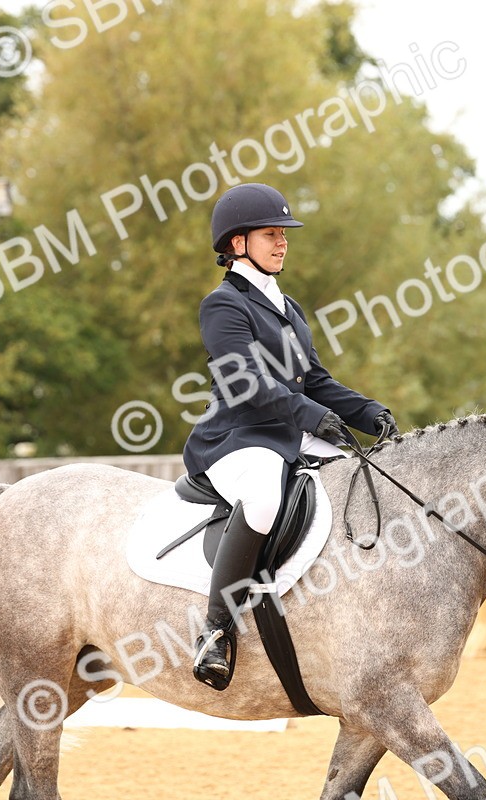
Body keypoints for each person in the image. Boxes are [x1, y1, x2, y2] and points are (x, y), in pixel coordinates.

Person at [182, 182, 398, 691]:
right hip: (238, 438)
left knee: (366, 475)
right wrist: (312, 417)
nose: (283, 243)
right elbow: (248, 383)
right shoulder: (223, 305)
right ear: (237, 243)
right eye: (271, 235)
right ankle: (216, 631)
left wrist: (369, 412)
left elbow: (315, 380)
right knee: (262, 500)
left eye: (284, 235)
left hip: (289, 432)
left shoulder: (288, 305)